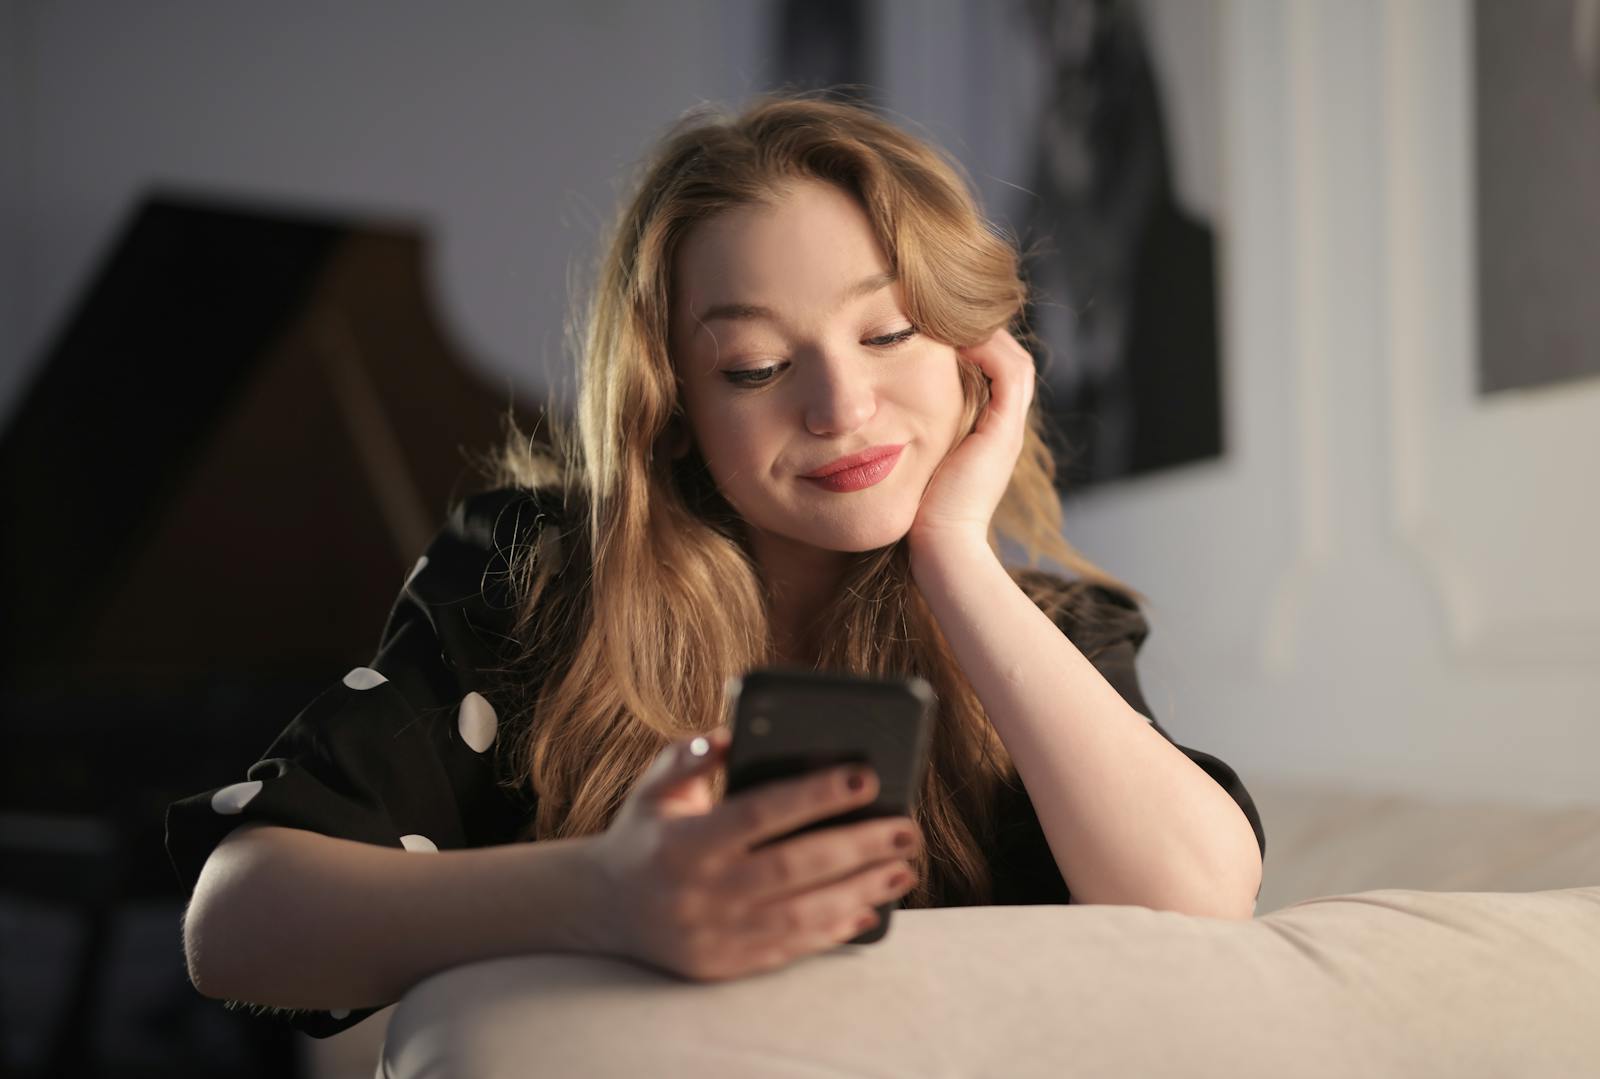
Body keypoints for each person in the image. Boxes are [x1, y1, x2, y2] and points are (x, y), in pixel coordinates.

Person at [168, 91, 1266, 1039]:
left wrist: (954, 555)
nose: (839, 407)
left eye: (887, 334)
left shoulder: (1052, 630)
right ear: (679, 408)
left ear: (977, 352)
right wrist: (604, 893)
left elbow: (1197, 901)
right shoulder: (534, 579)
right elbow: (235, 922)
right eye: (755, 365)